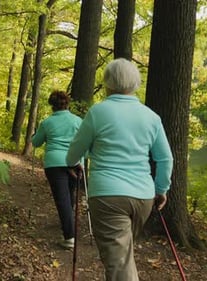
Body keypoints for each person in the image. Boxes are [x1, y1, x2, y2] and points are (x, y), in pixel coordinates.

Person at [66, 58, 174, 281]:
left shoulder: (98, 112)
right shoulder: (151, 117)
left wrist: (72, 162)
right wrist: (161, 189)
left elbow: (75, 151)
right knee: (122, 258)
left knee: (119, 265)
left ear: (108, 83)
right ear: (136, 83)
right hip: (143, 197)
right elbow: (165, 159)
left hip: (107, 196)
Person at [32, 90, 83, 249]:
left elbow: (36, 143)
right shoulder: (78, 121)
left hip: (54, 163)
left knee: (63, 199)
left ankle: (69, 237)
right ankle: (68, 225)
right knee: (69, 195)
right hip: (74, 162)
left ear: (52, 106)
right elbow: (85, 143)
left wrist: (37, 134)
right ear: (67, 104)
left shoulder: (47, 123)